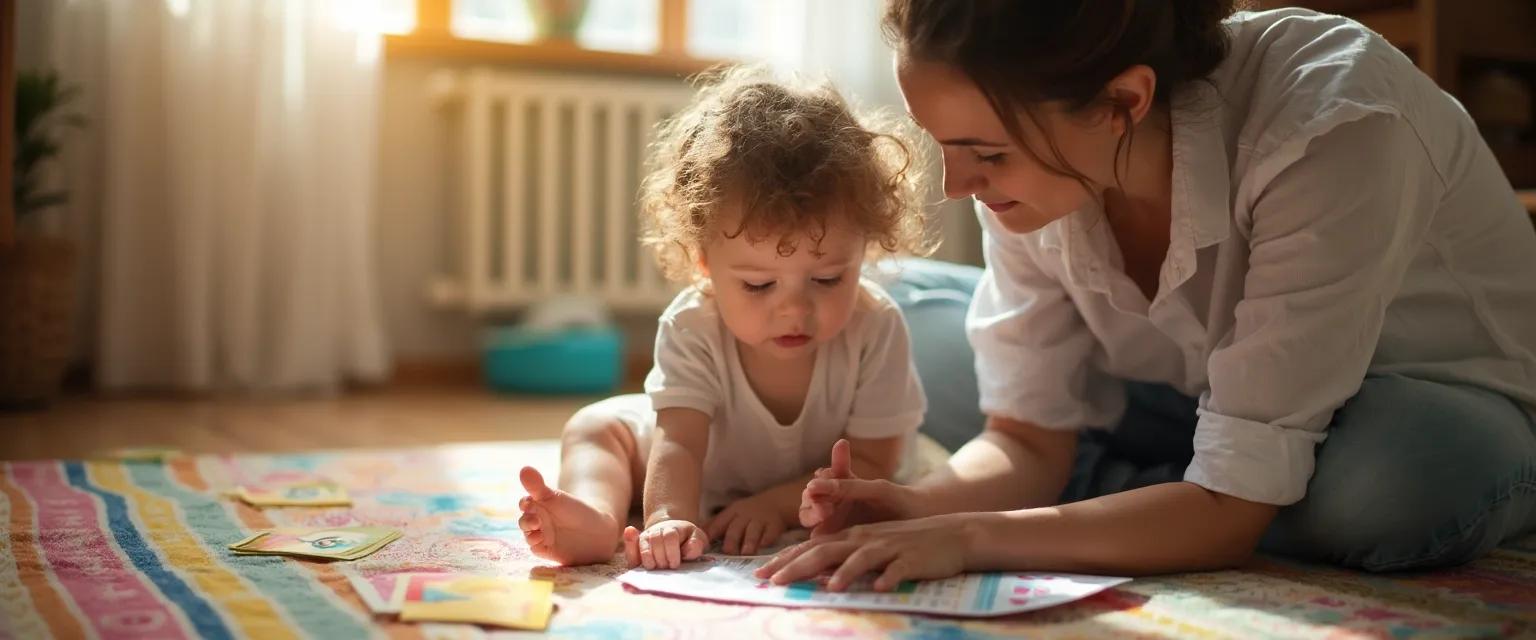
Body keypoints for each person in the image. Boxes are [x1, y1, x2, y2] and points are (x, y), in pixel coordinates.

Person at [757, 0, 1536, 591]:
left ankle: (1161, 499)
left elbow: (1233, 510)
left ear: (1124, 102)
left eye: (986, 154)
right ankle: (1164, 503)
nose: (957, 187)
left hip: (1426, 402)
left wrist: (972, 535)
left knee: (1385, 490)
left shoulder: (1331, 121)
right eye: (946, 148)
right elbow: (1026, 440)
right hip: (1188, 394)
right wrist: (920, 504)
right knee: (905, 324)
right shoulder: (1039, 174)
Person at [516, 66, 935, 568]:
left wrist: (774, 506)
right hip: (704, 471)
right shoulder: (692, 325)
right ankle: (596, 517)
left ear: (864, 249)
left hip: (807, 486)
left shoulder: (876, 327)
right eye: (758, 284)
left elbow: (873, 463)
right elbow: (679, 443)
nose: (794, 309)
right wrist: (668, 517)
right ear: (704, 264)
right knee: (597, 426)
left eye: (826, 279)